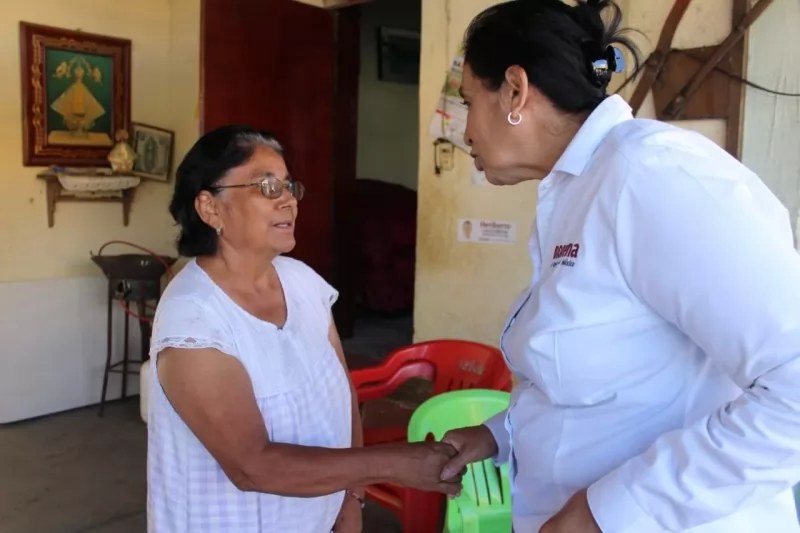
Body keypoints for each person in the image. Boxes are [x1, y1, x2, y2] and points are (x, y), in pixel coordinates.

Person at [439, 1, 800, 532]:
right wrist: (500, 434)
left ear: (515, 91)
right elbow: (603, 383)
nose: (464, 131)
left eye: (469, 101)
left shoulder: (652, 177)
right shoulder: (576, 191)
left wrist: (607, 512)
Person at [147, 125, 461, 533]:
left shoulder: (302, 282)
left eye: (289, 186)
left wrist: (352, 496)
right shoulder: (194, 317)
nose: (289, 201)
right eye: (267, 186)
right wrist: (393, 463)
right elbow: (252, 466)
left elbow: (343, 395)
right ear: (210, 208)